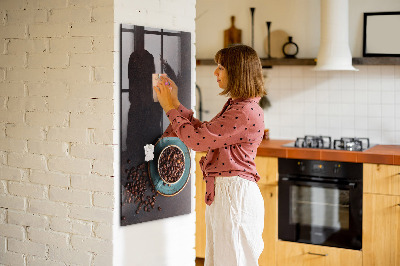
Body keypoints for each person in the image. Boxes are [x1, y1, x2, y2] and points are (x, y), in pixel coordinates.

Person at [153, 44, 266, 266]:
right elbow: (205, 133)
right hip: (228, 194)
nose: (215, 72)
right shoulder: (239, 106)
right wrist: (175, 103)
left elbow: (197, 141)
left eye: (221, 67)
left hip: (234, 196)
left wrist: (169, 108)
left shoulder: (243, 111)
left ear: (237, 71)